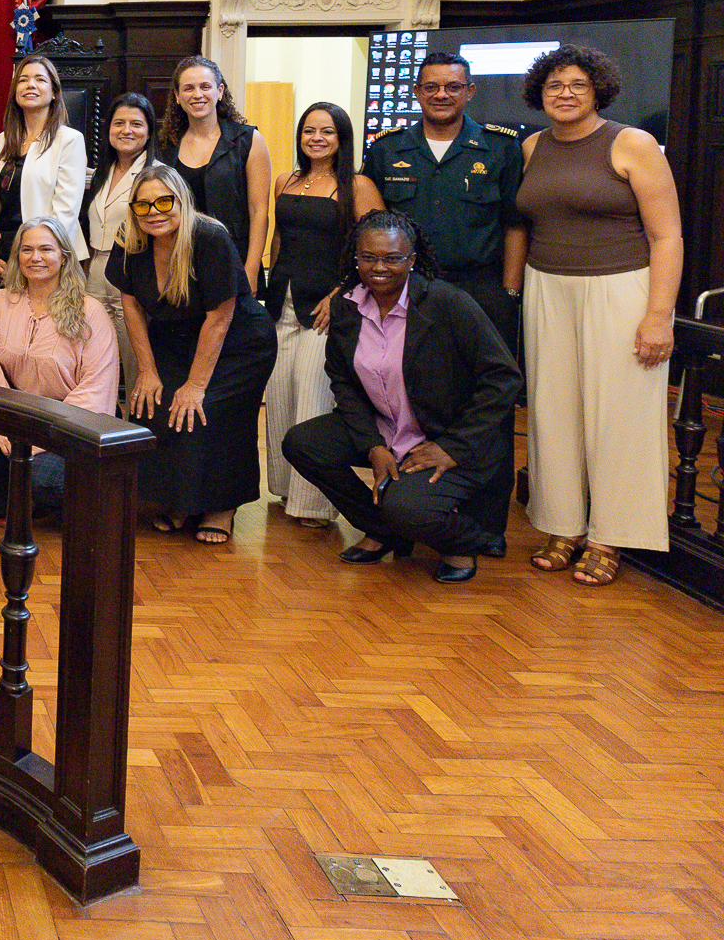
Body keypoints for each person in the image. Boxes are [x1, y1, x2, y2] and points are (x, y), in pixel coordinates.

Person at [516, 45, 682, 586]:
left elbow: (667, 236)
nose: (564, 94)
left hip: (621, 289)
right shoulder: (532, 146)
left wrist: (659, 315)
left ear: (597, 91)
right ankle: (562, 526)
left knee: (620, 416)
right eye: (554, 86)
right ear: (540, 94)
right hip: (549, 286)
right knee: (553, 410)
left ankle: (612, 535)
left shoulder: (632, 143)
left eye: (577, 85)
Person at [281, 212, 522, 584]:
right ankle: (386, 531)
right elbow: (342, 381)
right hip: (387, 430)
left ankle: (465, 543)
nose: (380, 267)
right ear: (355, 258)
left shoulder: (446, 303)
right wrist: (373, 446)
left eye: (393, 258)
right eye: (368, 257)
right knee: (303, 443)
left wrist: (454, 447)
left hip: (447, 438)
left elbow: (504, 377)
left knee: (405, 506)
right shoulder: (347, 306)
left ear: (411, 260)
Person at [109, 163, 277, 544]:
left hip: (239, 341)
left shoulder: (209, 237)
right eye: (143, 205)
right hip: (176, 334)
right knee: (155, 402)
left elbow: (220, 316)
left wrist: (197, 384)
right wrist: (148, 371)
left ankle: (222, 505)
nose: (154, 212)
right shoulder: (129, 238)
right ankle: (180, 498)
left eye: (164, 201)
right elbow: (131, 305)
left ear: (183, 200)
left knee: (206, 409)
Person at [262, 103, 383, 528]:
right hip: (282, 302)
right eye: (309, 130)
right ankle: (282, 488)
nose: (316, 138)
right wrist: (268, 287)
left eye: (327, 131)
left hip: (327, 309)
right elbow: (279, 237)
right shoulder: (286, 180)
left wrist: (342, 294)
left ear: (341, 138)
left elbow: (375, 250)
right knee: (278, 398)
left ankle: (313, 505)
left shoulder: (358, 185)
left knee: (311, 398)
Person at [361, 51, 526, 360]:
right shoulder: (387, 148)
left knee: (485, 384)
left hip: (480, 289)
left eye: (453, 87)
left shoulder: (500, 148)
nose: (441, 95)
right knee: (413, 382)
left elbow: (514, 225)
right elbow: (370, 227)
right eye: (431, 87)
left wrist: (510, 294)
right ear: (416, 92)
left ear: (470, 91)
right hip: (407, 288)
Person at [0, 216, 119, 520]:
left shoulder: (90, 311)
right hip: (14, 410)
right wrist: (0, 421)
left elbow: (95, 386)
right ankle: (10, 506)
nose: (35, 258)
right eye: (26, 250)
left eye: (46, 249)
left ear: (64, 256)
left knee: (44, 479)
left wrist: (39, 438)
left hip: (69, 420)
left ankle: (63, 502)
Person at [157, 55, 271, 290]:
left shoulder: (248, 140)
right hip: (181, 263)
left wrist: (250, 270)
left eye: (205, 87)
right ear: (177, 96)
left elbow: (259, 211)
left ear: (219, 91)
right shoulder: (166, 146)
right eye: (188, 88)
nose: (197, 94)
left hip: (234, 261)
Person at [0, 54, 89, 276]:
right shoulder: (1, 141)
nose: (30, 84)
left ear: (54, 93)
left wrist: (36, 254)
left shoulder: (69, 140)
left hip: (50, 256)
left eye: (40, 79)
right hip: (5, 254)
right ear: (15, 92)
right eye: (23, 80)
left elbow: (65, 211)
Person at [84, 94, 156, 396]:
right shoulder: (101, 172)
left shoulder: (157, 175)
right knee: (97, 366)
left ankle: (137, 433)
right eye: (119, 123)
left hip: (134, 275)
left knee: (136, 365)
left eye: (136, 124)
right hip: (94, 276)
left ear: (149, 131)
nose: (127, 130)